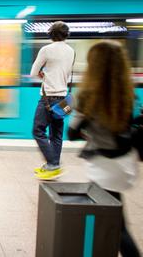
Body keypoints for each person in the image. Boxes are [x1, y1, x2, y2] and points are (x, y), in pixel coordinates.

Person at [68, 41, 140, 257]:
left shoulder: (88, 95)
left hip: (103, 166)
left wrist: (83, 125)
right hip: (125, 162)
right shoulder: (127, 92)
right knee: (112, 216)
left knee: (116, 225)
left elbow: (71, 133)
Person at [31, 21, 75, 180]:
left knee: (38, 131)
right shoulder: (71, 51)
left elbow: (33, 71)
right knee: (56, 134)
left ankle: (53, 163)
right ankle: (53, 165)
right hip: (63, 98)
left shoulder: (46, 50)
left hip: (48, 98)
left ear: (51, 34)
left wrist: (43, 73)